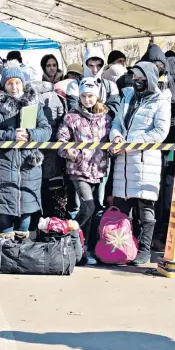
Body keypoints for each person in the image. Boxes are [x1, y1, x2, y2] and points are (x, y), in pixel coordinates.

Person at [109, 61, 171, 266]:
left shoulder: (161, 100)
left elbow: (160, 132)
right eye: (134, 78)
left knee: (146, 208)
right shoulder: (127, 97)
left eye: (141, 78)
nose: (136, 81)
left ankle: (144, 249)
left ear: (150, 79)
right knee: (121, 208)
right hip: (123, 161)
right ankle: (122, 247)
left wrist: (131, 145)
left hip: (145, 161)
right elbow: (117, 122)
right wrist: (116, 137)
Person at [0, 62, 51, 234]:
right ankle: (6, 250)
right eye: (9, 83)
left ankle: (21, 253)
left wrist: (30, 134)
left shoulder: (34, 105)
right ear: (4, 85)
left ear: (23, 84)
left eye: (17, 83)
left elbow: (46, 130)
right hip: (2, 164)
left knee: (26, 211)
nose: (14, 87)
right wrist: (10, 135)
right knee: (4, 212)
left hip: (28, 165)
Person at [57, 79, 111, 264]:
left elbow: (111, 139)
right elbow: (62, 139)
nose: (87, 100)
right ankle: (67, 235)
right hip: (78, 169)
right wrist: (70, 152)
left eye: (90, 96)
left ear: (97, 97)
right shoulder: (71, 116)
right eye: (84, 96)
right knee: (88, 207)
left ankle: (84, 249)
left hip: (98, 169)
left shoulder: (105, 117)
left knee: (94, 211)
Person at [27, 62, 66, 218]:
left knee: (35, 190)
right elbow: (62, 119)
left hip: (33, 149)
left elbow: (27, 125)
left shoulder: (27, 97)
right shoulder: (56, 96)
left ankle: (37, 224)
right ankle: (53, 224)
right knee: (54, 189)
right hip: (53, 149)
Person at [65, 47, 119, 117]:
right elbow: (74, 110)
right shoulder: (74, 85)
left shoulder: (111, 86)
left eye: (99, 65)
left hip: (106, 125)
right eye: (91, 66)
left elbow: (114, 111)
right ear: (85, 65)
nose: (95, 70)